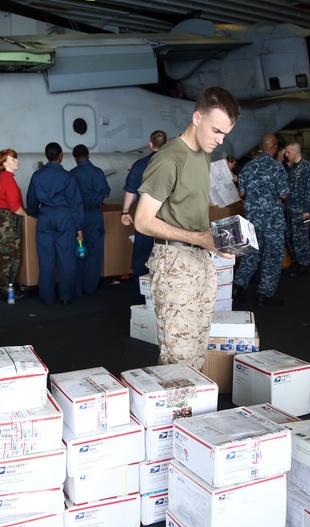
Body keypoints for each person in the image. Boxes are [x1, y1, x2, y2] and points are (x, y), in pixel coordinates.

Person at [134, 86, 240, 369]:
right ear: (196, 117)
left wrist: (216, 239)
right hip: (175, 262)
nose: (220, 140)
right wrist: (200, 238)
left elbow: (188, 207)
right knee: (177, 358)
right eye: (216, 130)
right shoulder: (169, 159)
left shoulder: (203, 152)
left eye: (225, 134)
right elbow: (142, 220)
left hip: (201, 259)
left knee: (196, 352)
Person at [233, 133, 289, 306]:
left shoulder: (248, 167)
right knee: (273, 256)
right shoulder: (277, 168)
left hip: (252, 220)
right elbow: (284, 194)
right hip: (273, 221)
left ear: (260, 147)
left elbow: (241, 193)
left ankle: (237, 288)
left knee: (251, 254)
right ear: (274, 148)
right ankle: (264, 295)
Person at [26, 142, 84, 306]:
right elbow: (75, 203)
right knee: (66, 259)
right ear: (61, 156)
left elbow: (31, 201)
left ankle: (47, 297)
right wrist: (79, 226)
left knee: (46, 260)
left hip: (45, 216)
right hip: (64, 218)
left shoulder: (37, 176)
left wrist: (36, 213)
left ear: (47, 156)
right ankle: (65, 296)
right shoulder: (67, 177)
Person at [120, 130, 168, 287]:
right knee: (166, 258)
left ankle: (141, 294)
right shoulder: (173, 164)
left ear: (150, 144)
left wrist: (125, 211)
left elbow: (131, 191)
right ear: (166, 145)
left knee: (142, 258)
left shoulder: (139, 165)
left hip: (145, 219)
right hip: (167, 222)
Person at [70, 144, 111, 297]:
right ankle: (90, 288)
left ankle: (77, 289)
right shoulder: (98, 172)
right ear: (88, 155)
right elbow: (106, 193)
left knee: (78, 250)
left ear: (75, 158)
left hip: (77, 215)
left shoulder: (72, 174)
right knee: (95, 251)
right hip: (95, 214)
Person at [0, 148, 28, 301]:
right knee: (11, 258)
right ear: (5, 163)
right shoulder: (8, 180)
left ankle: (6, 289)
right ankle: (7, 291)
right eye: (13, 159)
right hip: (9, 223)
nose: (17, 161)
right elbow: (15, 206)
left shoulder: (3, 178)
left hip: (4, 221)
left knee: (7, 257)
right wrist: (27, 216)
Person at [283, 140, 310, 278]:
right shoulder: (293, 167)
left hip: (301, 211)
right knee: (291, 237)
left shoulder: (306, 167)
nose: (286, 154)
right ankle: (296, 262)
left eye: (288, 152)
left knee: (300, 239)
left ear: (296, 151)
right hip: (290, 209)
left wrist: (306, 210)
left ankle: (303, 264)